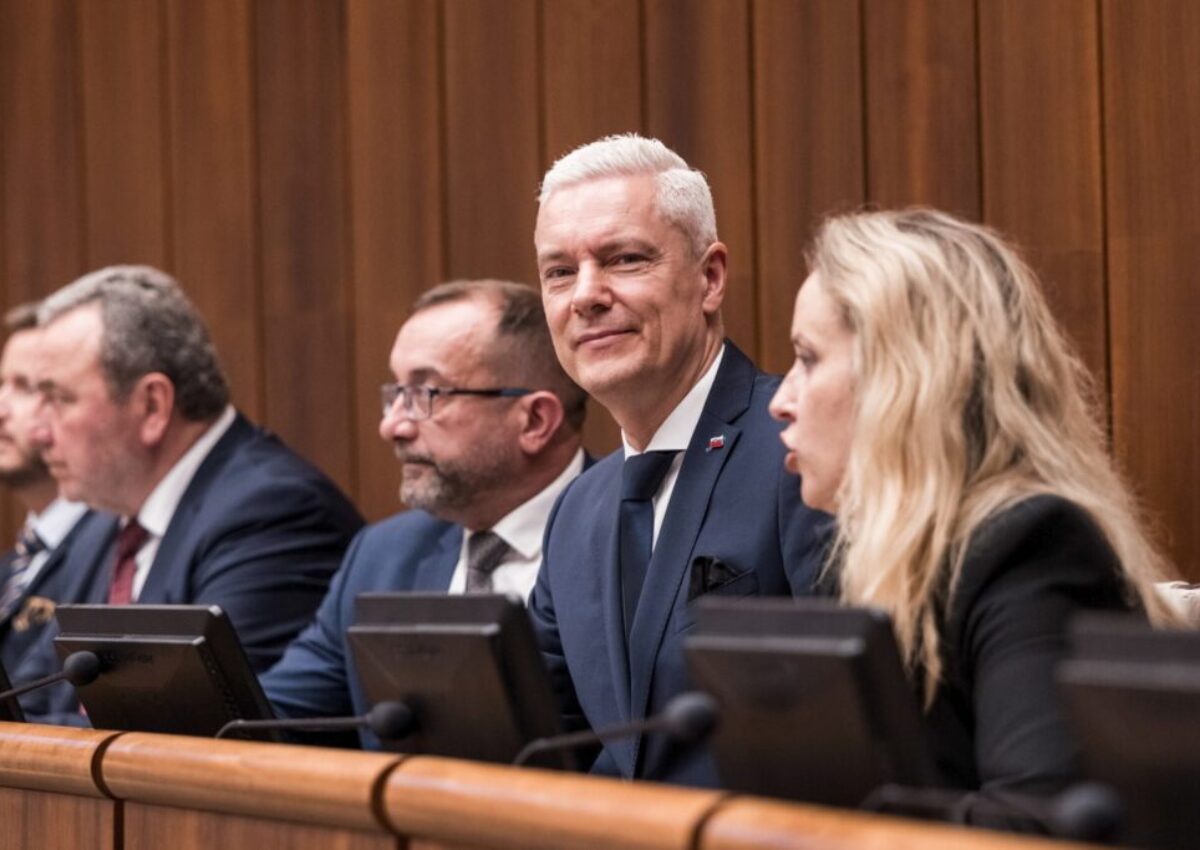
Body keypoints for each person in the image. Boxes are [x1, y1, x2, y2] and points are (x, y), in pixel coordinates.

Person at [768, 207, 1180, 829]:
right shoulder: (864, 553)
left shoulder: (1030, 545)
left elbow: (1032, 828)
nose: (780, 400)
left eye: (808, 359)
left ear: (903, 376)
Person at [530, 134, 827, 786]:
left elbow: (855, 734)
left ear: (709, 278)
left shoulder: (804, 451)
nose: (585, 294)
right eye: (559, 271)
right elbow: (544, 745)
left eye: (624, 259)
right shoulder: (578, 506)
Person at [16, 265, 363, 720]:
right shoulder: (104, 518)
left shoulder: (272, 514)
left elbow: (200, 724)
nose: (39, 433)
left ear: (152, 405)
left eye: (58, 399)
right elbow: (34, 695)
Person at [261, 280, 588, 748]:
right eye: (395, 393)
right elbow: (271, 715)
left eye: (426, 393)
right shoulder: (381, 555)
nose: (391, 424)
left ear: (534, 421)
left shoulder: (629, 538)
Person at [0, 305, 105, 672]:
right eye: (1, 384)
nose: (1, 409)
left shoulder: (110, 555)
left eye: (27, 387)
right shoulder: (13, 566)